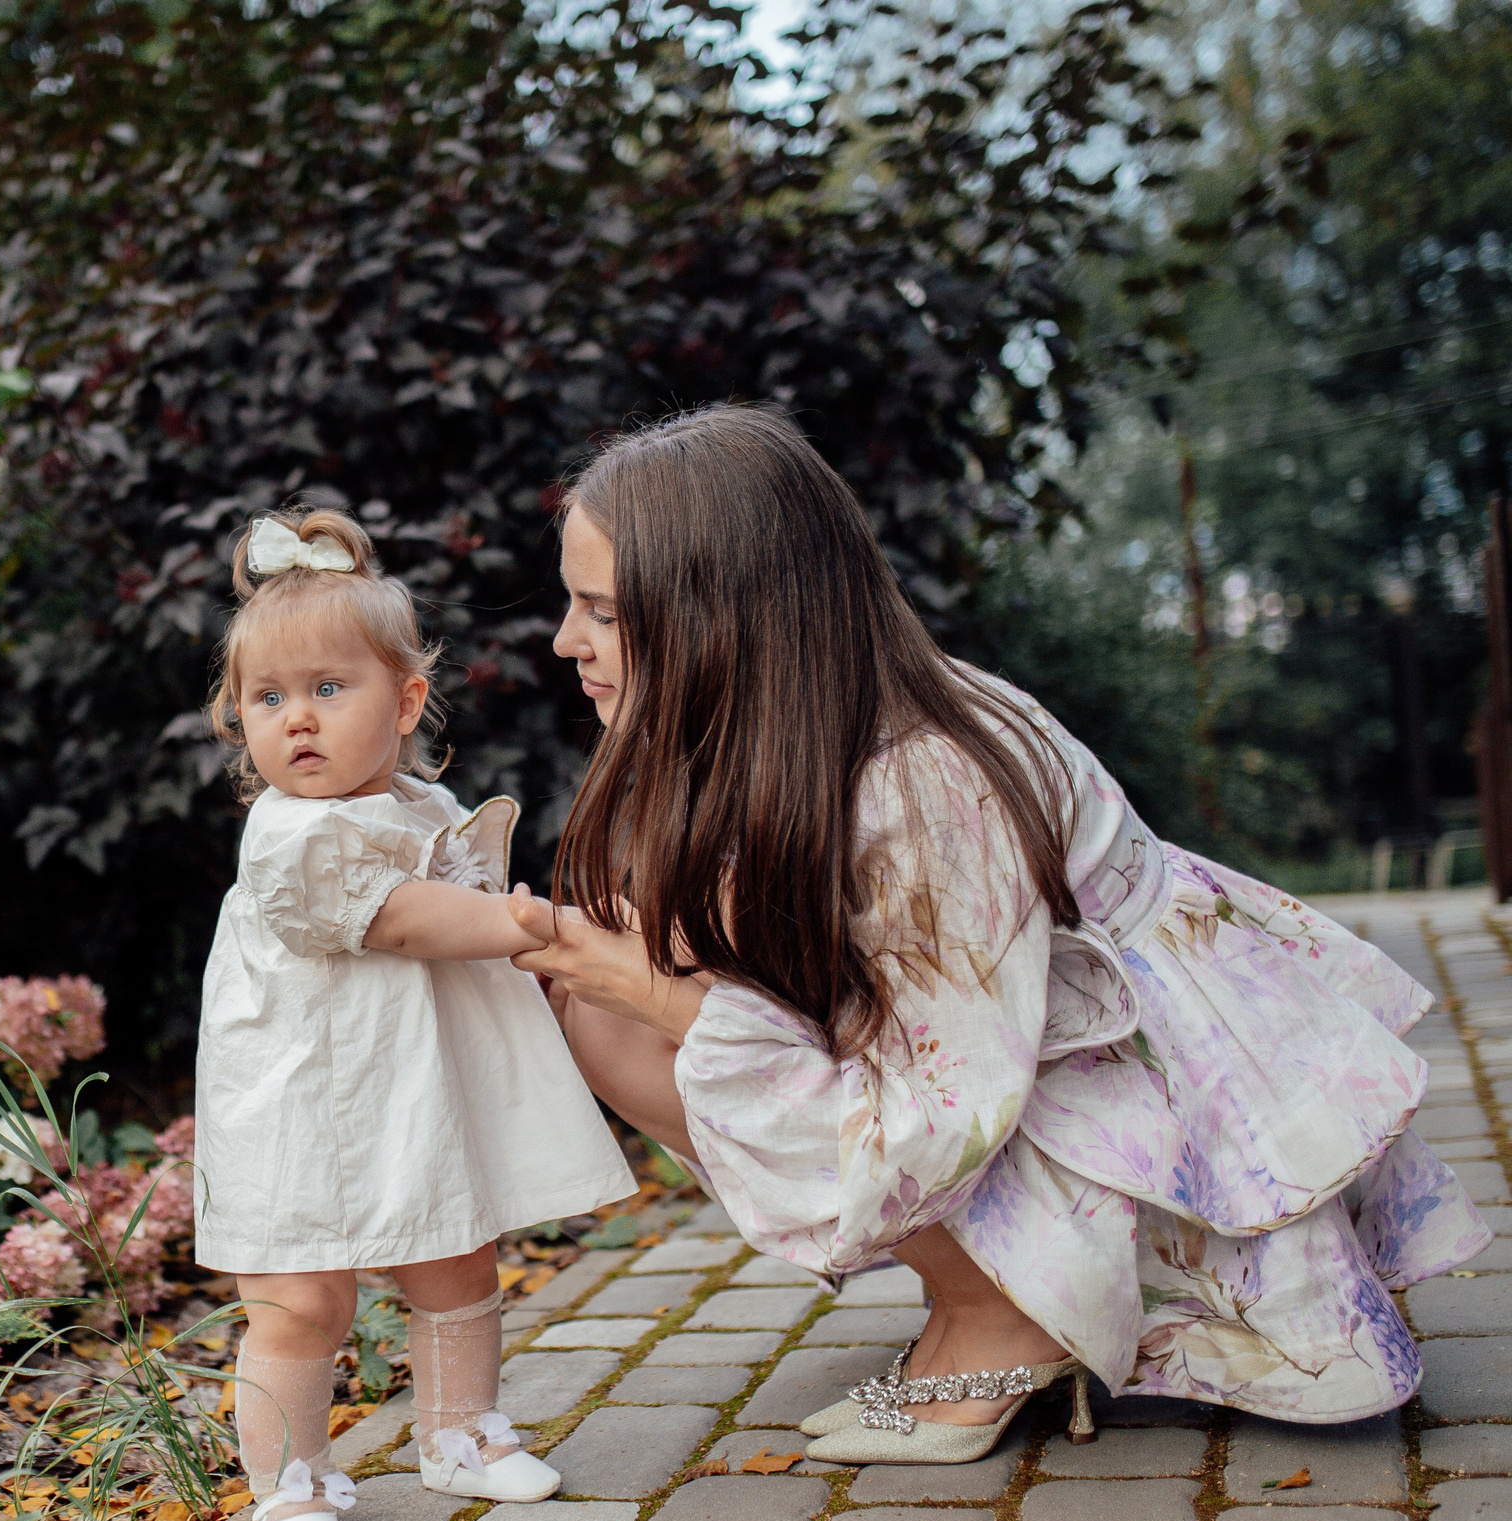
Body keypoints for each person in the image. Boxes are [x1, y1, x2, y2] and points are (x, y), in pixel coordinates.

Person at [512, 403, 1491, 1466]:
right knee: (601, 1015)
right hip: (1001, 1064)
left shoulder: (929, 780)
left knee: (643, 1017)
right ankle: (973, 1298)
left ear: (725, 613)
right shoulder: (789, 735)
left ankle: (1009, 1318)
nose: (566, 641)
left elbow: (955, 1110)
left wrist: (658, 993)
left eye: (600, 611)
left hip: (1130, 1105)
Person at [194, 509, 637, 1521]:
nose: (295, 720)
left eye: (326, 690)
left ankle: (458, 1434)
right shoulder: (290, 838)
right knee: (301, 1299)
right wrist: (523, 923)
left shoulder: (418, 803)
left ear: (404, 702)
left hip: (408, 1089)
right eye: (268, 699)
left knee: (454, 1254)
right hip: (299, 1103)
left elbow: (451, 899)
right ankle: (288, 1485)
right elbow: (400, 917)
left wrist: (504, 912)